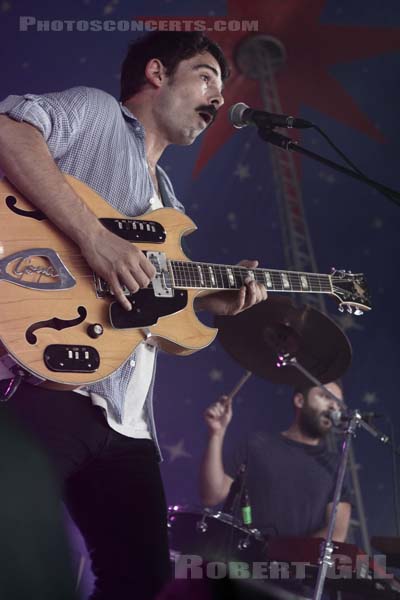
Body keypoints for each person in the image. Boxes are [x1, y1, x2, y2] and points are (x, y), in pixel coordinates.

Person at [0, 32, 267, 600]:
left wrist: (212, 303)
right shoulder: (98, 114)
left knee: (143, 583)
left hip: (126, 421)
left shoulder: (169, 201)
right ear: (156, 73)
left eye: (221, 89)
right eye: (205, 77)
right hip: (48, 383)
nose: (218, 99)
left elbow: (154, 306)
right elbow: (8, 130)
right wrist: (94, 238)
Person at [200, 381, 351, 543]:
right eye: (325, 397)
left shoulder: (335, 465)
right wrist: (216, 434)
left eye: (338, 403)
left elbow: (336, 533)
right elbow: (212, 496)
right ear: (300, 401)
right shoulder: (257, 444)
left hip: (295, 566)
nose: (333, 407)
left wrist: (287, 557)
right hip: (241, 559)